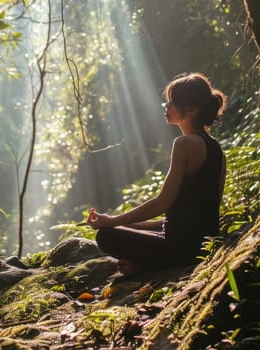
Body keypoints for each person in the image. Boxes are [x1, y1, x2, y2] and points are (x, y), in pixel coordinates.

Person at [87, 72, 227, 275]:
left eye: (172, 102)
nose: (166, 106)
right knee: (127, 228)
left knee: (106, 235)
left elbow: (162, 203)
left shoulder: (184, 144)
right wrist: (127, 222)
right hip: (204, 244)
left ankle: (147, 266)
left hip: (182, 249)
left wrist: (111, 222)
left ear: (190, 110)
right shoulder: (218, 150)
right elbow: (198, 214)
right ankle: (145, 263)